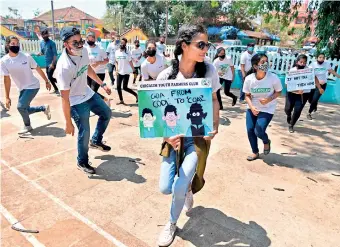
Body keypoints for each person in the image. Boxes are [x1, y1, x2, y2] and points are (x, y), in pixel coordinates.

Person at [156, 24, 220, 247]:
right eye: (200, 45)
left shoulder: (209, 70)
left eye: (207, 45)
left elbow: (213, 100)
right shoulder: (166, 75)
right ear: (184, 46)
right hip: (173, 139)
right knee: (165, 187)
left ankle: (172, 223)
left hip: (197, 138)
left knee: (180, 182)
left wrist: (215, 125)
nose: (206, 49)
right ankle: (188, 189)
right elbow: (156, 112)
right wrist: (165, 136)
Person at [55, 27, 112, 175]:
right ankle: (82, 161)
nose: (80, 45)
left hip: (87, 93)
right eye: (75, 42)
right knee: (84, 131)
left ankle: (96, 140)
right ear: (66, 44)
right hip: (75, 101)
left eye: (80, 41)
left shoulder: (84, 51)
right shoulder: (63, 67)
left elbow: (87, 69)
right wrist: (68, 122)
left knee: (106, 113)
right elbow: (64, 97)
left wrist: (102, 84)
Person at [1, 35, 52, 134]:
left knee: (20, 107)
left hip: (33, 85)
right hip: (22, 88)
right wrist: (7, 97)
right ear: (7, 45)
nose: (16, 45)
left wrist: (46, 81)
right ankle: (43, 108)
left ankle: (27, 126)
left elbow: (37, 68)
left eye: (17, 43)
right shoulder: (4, 61)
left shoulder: (26, 56)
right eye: (13, 43)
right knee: (25, 109)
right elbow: (7, 80)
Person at [242, 54, 282, 161]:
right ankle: (255, 152)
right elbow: (247, 95)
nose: (266, 64)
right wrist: (252, 107)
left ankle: (266, 141)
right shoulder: (249, 79)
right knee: (250, 130)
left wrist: (268, 100)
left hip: (267, 108)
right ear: (255, 66)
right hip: (252, 107)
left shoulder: (273, 78)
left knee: (259, 130)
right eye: (263, 62)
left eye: (267, 61)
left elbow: (279, 92)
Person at [285, 54, 322, 133]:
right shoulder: (292, 71)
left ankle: (291, 125)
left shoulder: (309, 70)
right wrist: (296, 91)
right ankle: (288, 115)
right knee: (287, 109)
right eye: (301, 62)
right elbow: (287, 84)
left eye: (304, 62)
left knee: (298, 110)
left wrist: (319, 87)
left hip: (303, 94)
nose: (302, 64)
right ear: (297, 61)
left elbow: (314, 78)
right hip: (291, 93)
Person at [307, 52, 340, 119]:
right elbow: (309, 73)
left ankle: (309, 113)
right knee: (310, 100)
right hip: (313, 84)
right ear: (316, 58)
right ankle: (314, 105)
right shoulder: (312, 65)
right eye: (320, 57)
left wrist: (338, 76)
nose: (322, 59)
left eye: (323, 58)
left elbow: (331, 70)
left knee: (315, 99)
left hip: (322, 85)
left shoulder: (327, 64)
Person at [85, 32, 110, 107]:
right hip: (88, 72)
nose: (90, 40)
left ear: (94, 39)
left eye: (92, 38)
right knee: (89, 91)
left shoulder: (100, 49)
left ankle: (104, 100)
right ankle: (105, 99)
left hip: (99, 72)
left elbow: (107, 60)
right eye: (88, 38)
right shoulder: (85, 49)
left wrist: (98, 63)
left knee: (93, 91)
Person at [115, 37, 138, 104]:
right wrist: (116, 69)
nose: (122, 44)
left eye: (123, 43)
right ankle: (121, 100)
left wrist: (133, 70)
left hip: (126, 72)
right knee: (118, 87)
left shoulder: (128, 53)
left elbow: (130, 62)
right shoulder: (117, 52)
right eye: (121, 43)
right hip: (119, 72)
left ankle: (136, 95)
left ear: (125, 44)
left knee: (125, 87)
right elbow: (116, 61)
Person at [39, 28, 59, 95]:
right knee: (49, 77)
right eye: (43, 34)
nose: (45, 36)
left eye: (46, 34)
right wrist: (39, 54)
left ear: (48, 34)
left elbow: (55, 54)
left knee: (50, 77)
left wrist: (53, 64)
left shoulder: (52, 43)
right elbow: (42, 52)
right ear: (41, 35)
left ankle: (57, 88)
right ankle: (57, 86)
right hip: (46, 63)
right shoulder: (41, 43)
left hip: (52, 63)